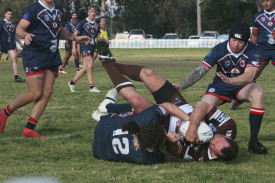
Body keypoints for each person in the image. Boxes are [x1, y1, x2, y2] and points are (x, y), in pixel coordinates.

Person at [92, 42, 238, 163]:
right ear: (227, 137)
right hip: (180, 106)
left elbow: (176, 152)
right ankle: (111, 64)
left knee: (135, 99)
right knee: (149, 74)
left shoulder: (203, 156)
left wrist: (171, 142)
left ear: (217, 155)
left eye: (213, 147)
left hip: (162, 124)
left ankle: (106, 62)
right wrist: (191, 126)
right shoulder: (229, 127)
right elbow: (202, 105)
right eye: (218, 141)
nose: (212, 142)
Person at [173, 21, 268, 154]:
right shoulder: (219, 49)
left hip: (242, 85)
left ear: (246, 41)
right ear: (229, 37)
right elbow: (201, 70)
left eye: (240, 42)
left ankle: (253, 142)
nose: (236, 44)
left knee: (258, 93)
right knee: (201, 108)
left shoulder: (254, 50)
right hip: (220, 86)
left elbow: (250, 76)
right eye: (234, 40)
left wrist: (231, 80)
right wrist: (181, 85)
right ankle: (190, 139)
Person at [0, 0, 90, 138]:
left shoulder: (58, 10)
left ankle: (29, 129)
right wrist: (25, 35)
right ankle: (4, 113)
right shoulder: (33, 9)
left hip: (52, 56)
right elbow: (19, 29)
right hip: (35, 54)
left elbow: (60, 31)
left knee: (47, 92)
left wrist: (75, 38)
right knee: (35, 93)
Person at [230, 0, 275, 110]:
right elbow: (254, 35)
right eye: (263, 1)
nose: (265, 3)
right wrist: (248, 51)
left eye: (267, 0)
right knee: (251, 76)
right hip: (262, 50)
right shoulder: (258, 17)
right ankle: (238, 100)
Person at [68, 5, 101, 93]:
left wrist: (99, 48)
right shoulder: (82, 23)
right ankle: (92, 87)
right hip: (84, 46)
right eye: (91, 11)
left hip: (93, 47)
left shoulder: (97, 24)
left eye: (95, 11)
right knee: (90, 64)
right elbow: (74, 35)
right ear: (88, 12)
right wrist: (74, 47)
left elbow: (98, 37)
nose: (93, 13)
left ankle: (72, 82)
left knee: (86, 68)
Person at [0, 8, 25, 83]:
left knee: (15, 57)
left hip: (9, 45)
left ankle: (16, 77)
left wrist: (20, 43)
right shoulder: (1, 23)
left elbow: (15, 36)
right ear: (5, 14)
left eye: (11, 14)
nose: (10, 15)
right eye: (8, 14)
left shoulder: (13, 25)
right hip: (1, 45)